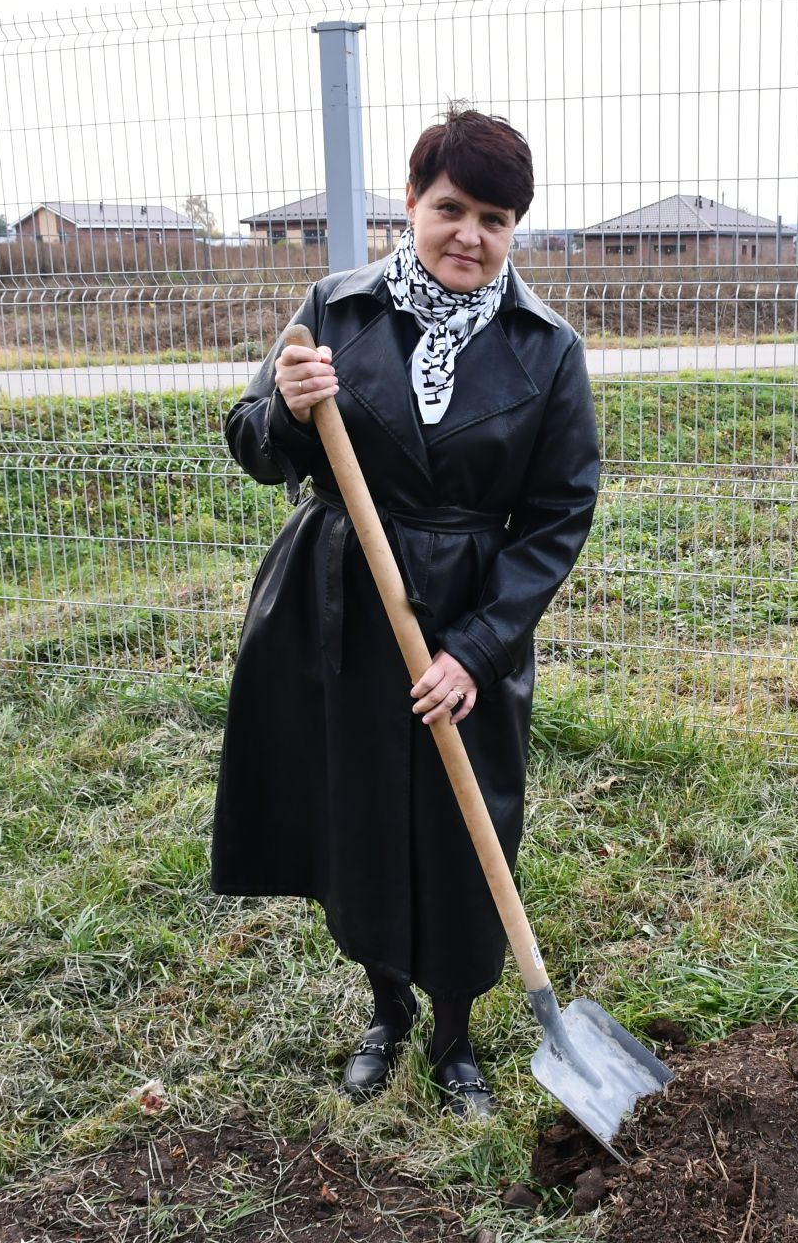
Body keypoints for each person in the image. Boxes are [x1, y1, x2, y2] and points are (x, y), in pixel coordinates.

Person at [211, 107, 599, 1120]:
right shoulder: (336, 310)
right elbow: (254, 448)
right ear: (414, 204)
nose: (471, 234)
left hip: (473, 609)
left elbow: (559, 511)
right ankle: (385, 1009)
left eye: (497, 217)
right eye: (450, 208)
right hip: (341, 601)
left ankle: (458, 1032)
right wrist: (287, 408)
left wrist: (476, 648)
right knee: (363, 808)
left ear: (518, 227)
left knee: (472, 817)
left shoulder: (547, 347)